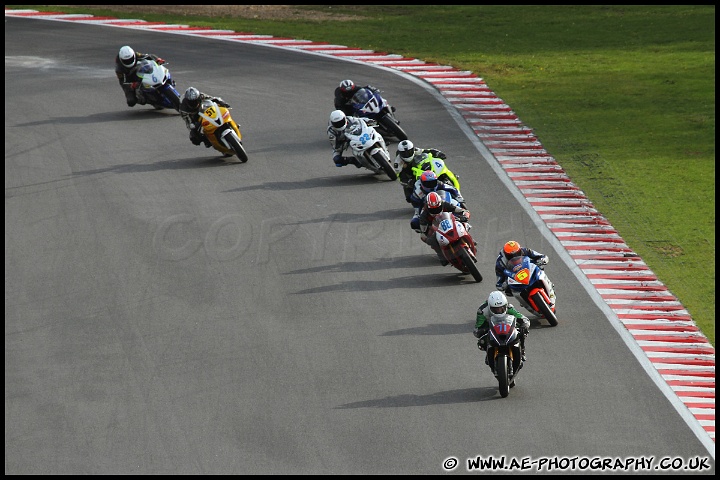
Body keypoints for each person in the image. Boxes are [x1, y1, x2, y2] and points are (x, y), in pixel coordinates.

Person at [495, 240, 556, 307]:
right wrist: (504, 284)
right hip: (515, 278)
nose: (515, 256)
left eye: (517, 253)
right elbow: (499, 283)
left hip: (528, 270)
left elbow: (542, 256)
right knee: (510, 291)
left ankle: (548, 285)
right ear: (505, 254)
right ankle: (524, 301)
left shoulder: (525, 250)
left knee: (540, 269)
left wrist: (542, 260)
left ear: (519, 250)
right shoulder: (500, 262)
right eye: (511, 255)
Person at [473, 291, 530, 361]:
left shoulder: (509, 308)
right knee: (482, 341)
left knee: (522, 333)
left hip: (508, 326)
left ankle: (522, 350)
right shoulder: (482, 311)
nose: (499, 311)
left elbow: (524, 319)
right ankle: (488, 352)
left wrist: (524, 326)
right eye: (495, 309)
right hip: (491, 328)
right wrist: (482, 330)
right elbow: (477, 329)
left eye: (501, 308)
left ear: (505, 305)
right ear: (489, 306)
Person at [418, 191, 470, 265]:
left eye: (437, 208)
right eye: (433, 209)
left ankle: (469, 238)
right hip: (435, 227)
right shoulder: (423, 214)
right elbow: (423, 230)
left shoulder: (444, 204)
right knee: (430, 240)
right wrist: (429, 236)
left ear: (440, 204)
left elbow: (458, 209)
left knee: (462, 223)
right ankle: (441, 256)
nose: (436, 210)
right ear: (428, 207)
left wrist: (464, 215)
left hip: (447, 220)